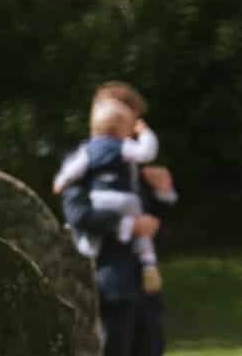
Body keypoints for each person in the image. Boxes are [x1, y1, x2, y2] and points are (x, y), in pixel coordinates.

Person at [59, 81, 175, 356]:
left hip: (148, 288)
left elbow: (159, 219)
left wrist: (162, 194)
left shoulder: (138, 167)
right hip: (108, 285)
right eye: (117, 113)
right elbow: (77, 213)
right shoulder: (85, 160)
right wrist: (128, 227)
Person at [54, 100, 165, 295]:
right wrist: (145, 133)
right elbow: (147, 152)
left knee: (136, 227)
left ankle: (88, 249)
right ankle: (149, 262)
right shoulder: (123, 147)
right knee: (142, 229)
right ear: (123, 128)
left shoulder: (88, 151)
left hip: (100, 199)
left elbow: (72, 171)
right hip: (124, 205)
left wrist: (61, 181)